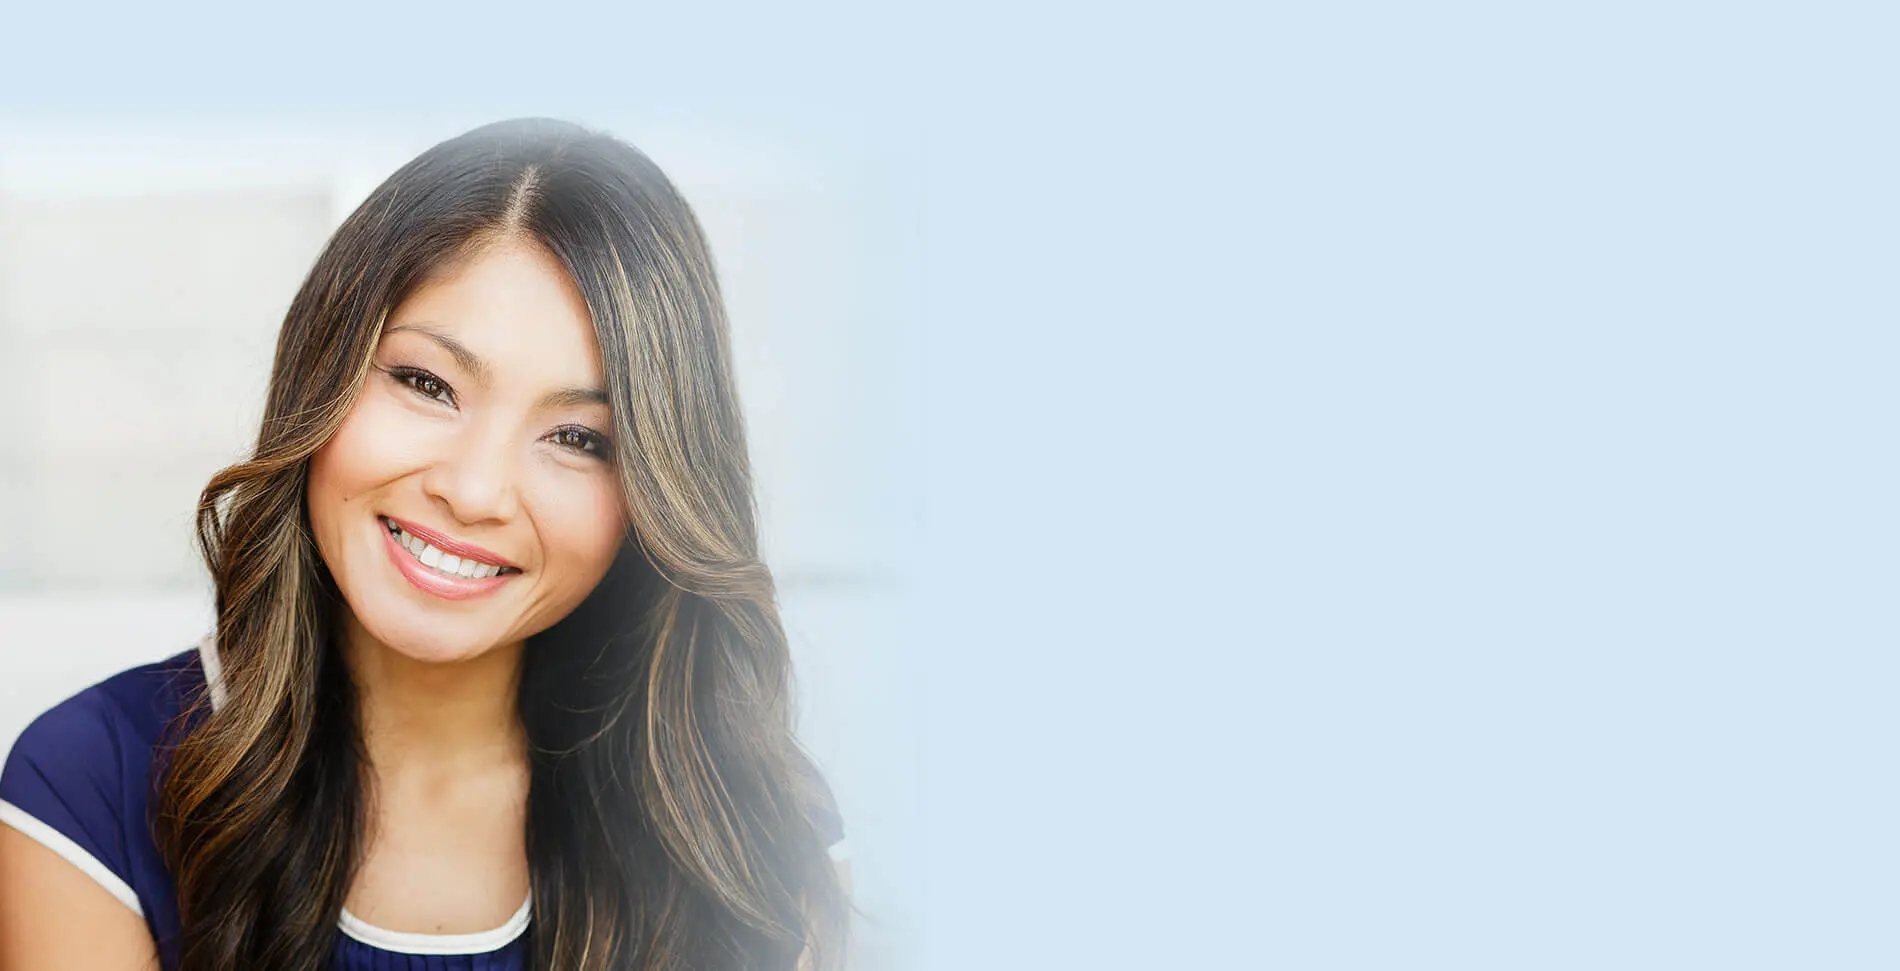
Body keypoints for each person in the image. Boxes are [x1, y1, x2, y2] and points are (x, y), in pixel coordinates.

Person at [0, 118, 852, 971]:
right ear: (320, 370)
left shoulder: (749, 841)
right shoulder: (89, 783)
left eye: (580, 439)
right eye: (426, 383)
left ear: (655, 496)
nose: (474, 490)